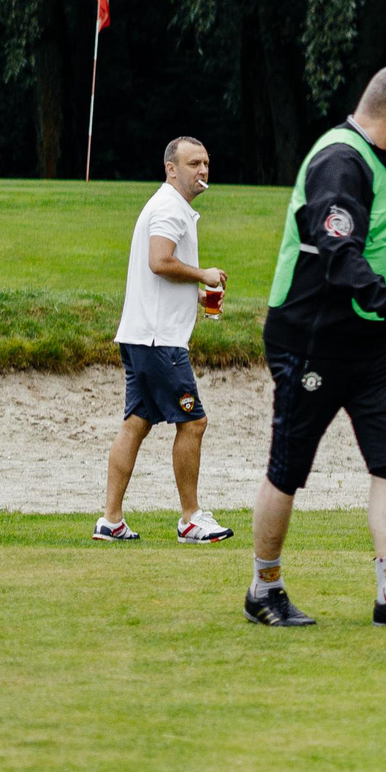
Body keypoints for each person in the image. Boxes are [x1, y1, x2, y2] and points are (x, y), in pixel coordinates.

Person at [242, 64, 386, 629]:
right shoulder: (341, 161)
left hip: (366, 344)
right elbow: (336, 251)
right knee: (289, 467)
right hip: (312, 339)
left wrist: (384, 319)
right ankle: (264, 589)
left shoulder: (374, 160)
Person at [95, 137, 233, 544]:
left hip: (141, 335)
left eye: (206, 163)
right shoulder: (170, 208)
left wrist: (197, 291)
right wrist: (203, 274)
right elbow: (160, 261)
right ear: (171, 168)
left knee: (136, 423)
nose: (203, 170)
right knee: (193, 422)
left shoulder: (169, 206)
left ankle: (111, 520)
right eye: (193, 163)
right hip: (159, 340)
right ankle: (190, 518)